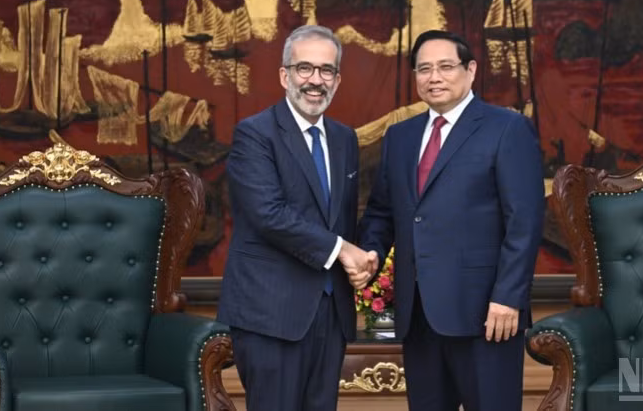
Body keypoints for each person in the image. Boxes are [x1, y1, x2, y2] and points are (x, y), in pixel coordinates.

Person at [358, 29, 545, 411]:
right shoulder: (400, 137)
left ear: (470, 70)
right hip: (418, 315)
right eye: (424, 69)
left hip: (487, 314)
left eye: (446, 67)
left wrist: (508, 297)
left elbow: (524, 221)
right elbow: (382, 211)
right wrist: (370, 253)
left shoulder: (506, 128)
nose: (434, 77)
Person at [217, 25, 378, 411]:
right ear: (284, 75)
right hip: (271, 314)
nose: (315, 80)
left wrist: (365, 258)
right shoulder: (254, 134)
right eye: (304, 68)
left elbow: (340, 218)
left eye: (327, 70)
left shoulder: (344, 139)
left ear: (337, 80)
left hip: (331, 313)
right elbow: (268, 214)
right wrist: (344, 250)